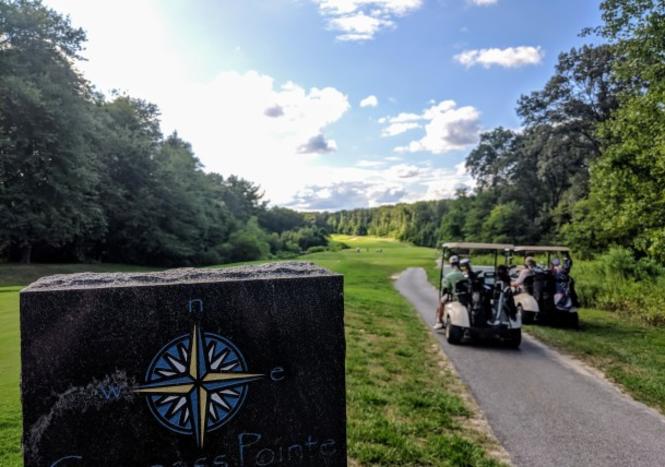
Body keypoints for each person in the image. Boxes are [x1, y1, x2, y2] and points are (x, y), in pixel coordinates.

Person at [433, 255, 465, 330]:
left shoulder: (449, 276)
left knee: (441, 301)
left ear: (451, 264)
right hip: (466, 295)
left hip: (455, 296)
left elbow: (445, 289)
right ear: (459, 263)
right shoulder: (464, 274)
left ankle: (439, 321)